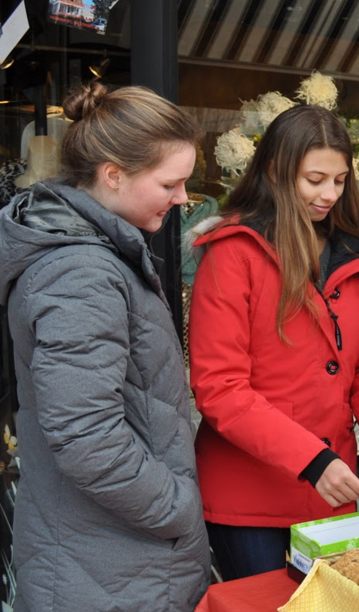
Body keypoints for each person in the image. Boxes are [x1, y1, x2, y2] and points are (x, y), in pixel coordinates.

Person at [0, 83, 210, 611]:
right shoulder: (80, 272)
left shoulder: (91, 254)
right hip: (107, 564)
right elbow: (85, 434)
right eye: (171, 183)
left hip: (105, 557)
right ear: (113, 174)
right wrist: (177, 509)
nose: (184, 198)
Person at [188, 104, 359, 581]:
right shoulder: (232, 253)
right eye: (315, 180)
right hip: (249, 499)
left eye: (340, 179)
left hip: (331, 490)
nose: (329, 194)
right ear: (275, 171)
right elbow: (220, 388)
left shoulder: (355, 254)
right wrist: (312, 459)